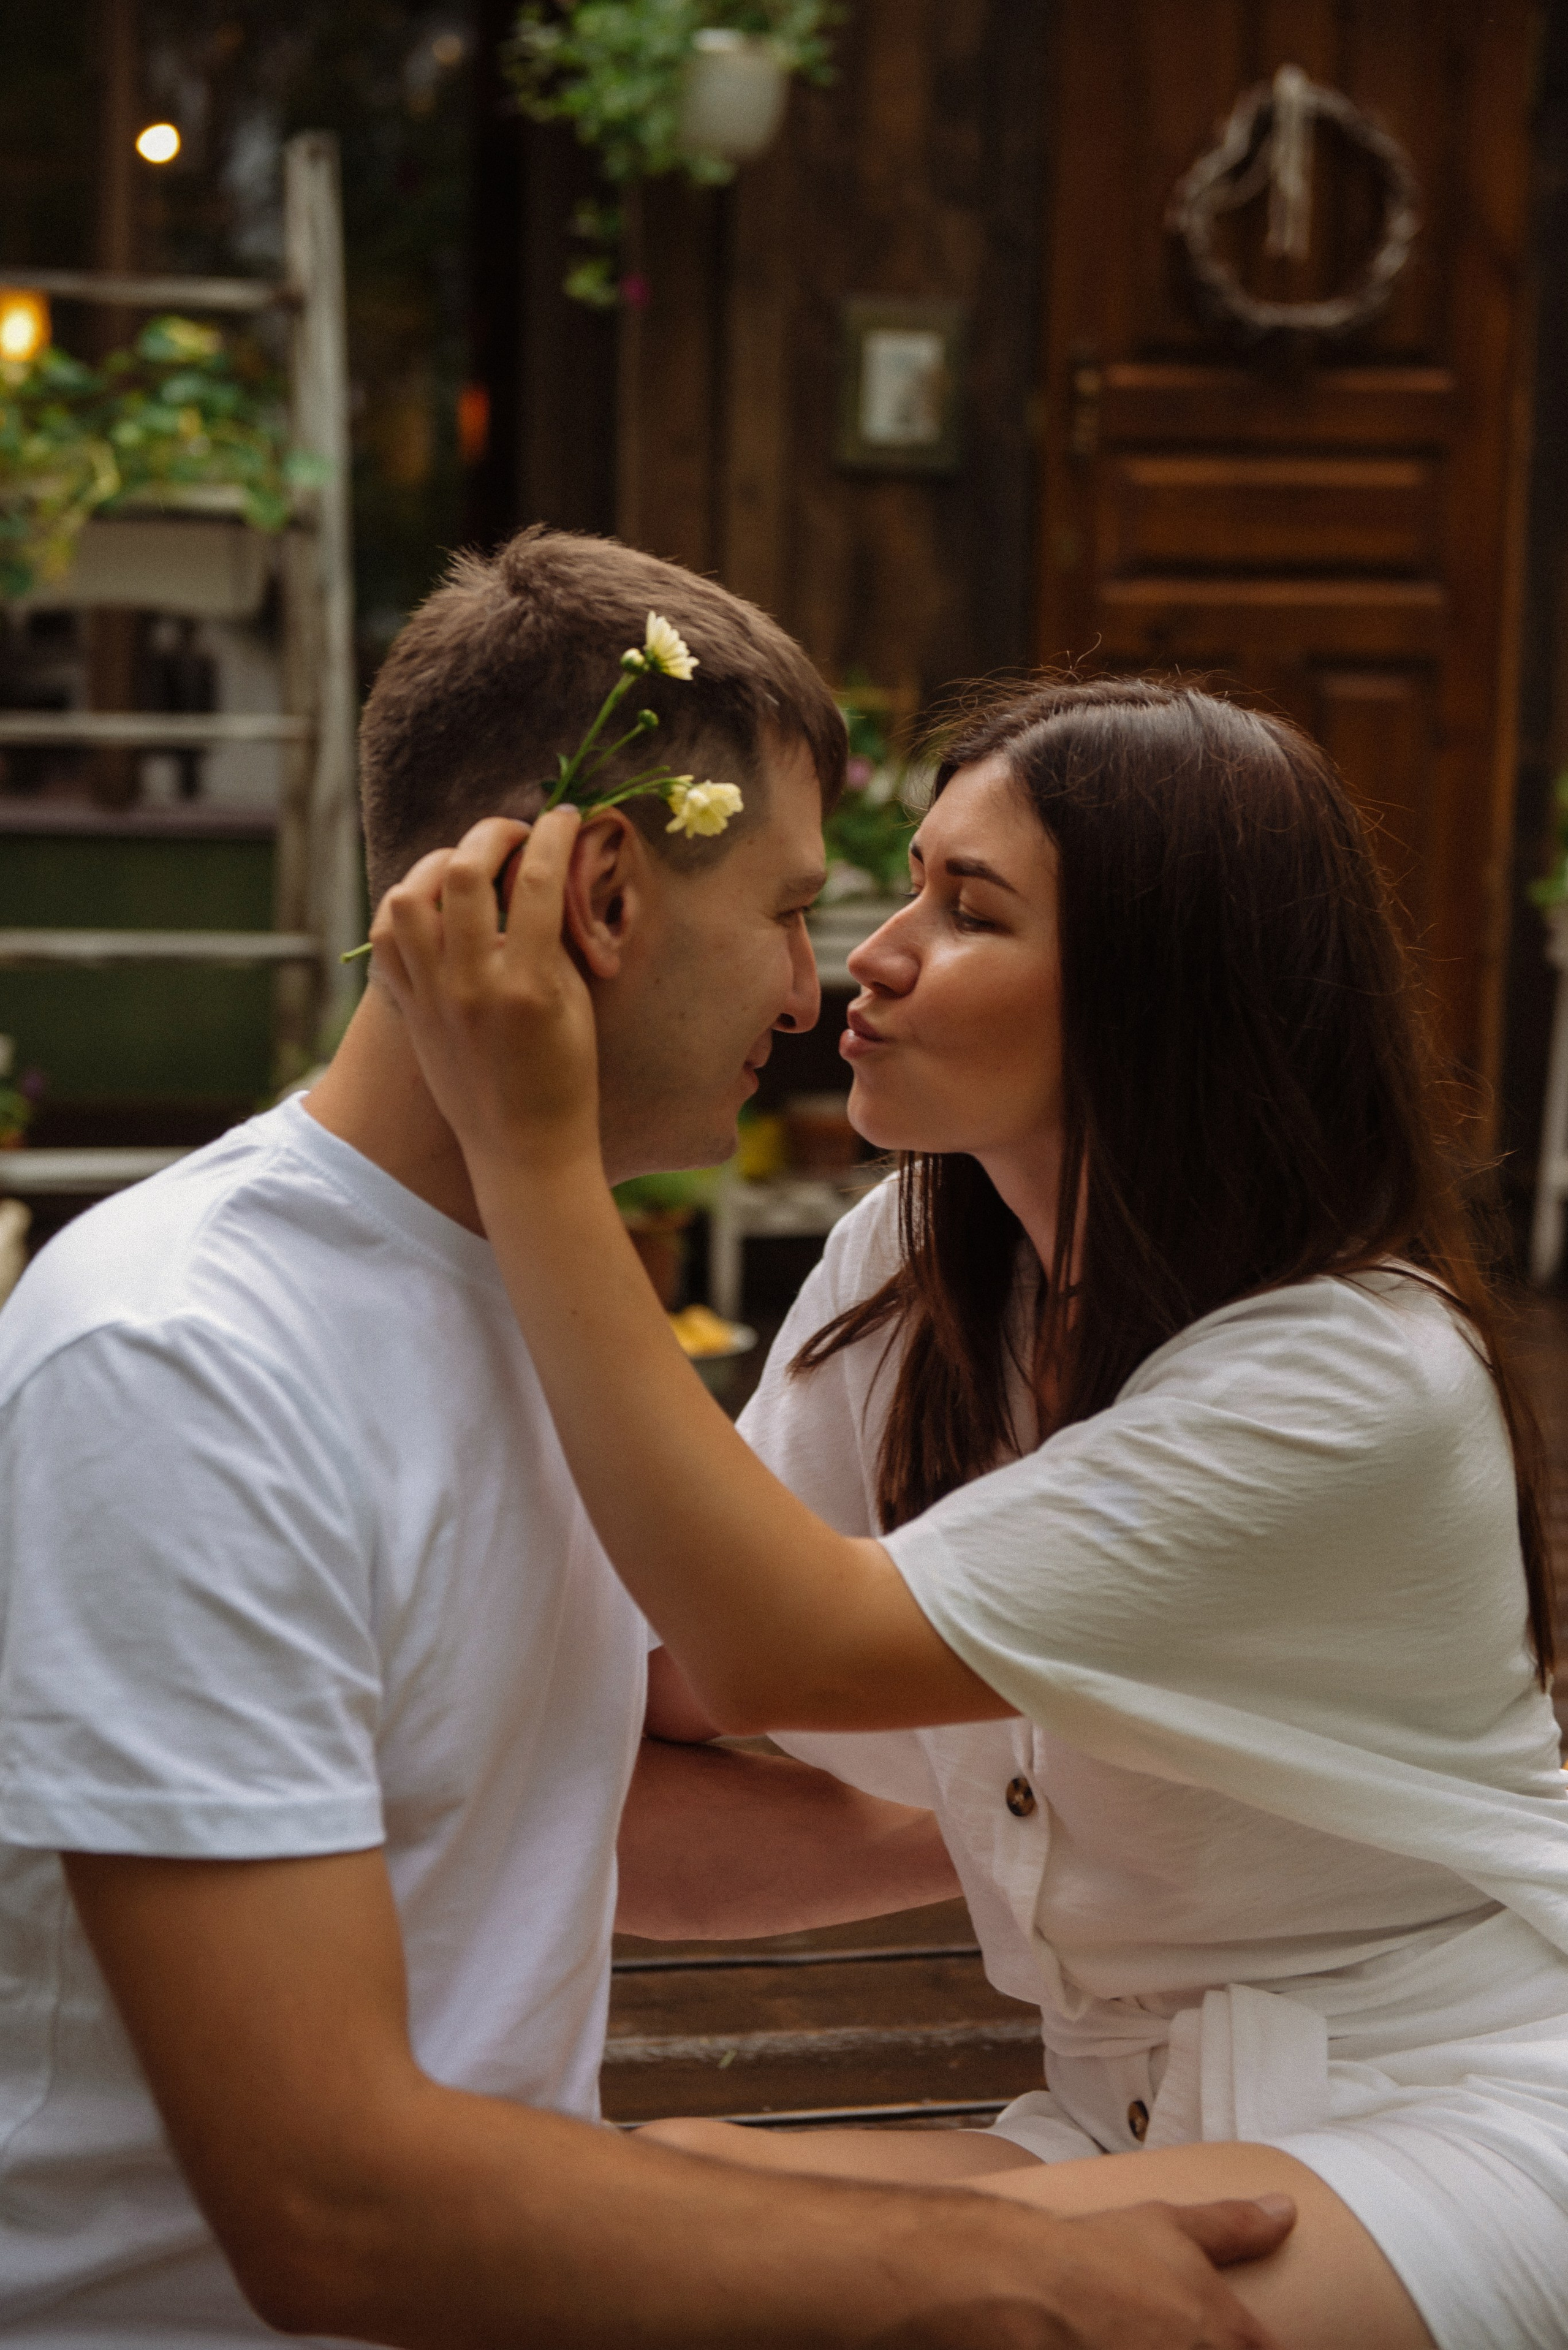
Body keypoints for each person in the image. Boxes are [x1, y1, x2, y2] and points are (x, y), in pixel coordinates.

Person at [0, 542, 1295, 2350]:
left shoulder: (550, 1289)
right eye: (783, 908)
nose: (810, 983)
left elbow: (599, 1798)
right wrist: (996, 2261)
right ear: (600, 891)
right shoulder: (185, 1354)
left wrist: (1089, 1822)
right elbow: (324, 2204)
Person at [368, 673, 1568, 2350]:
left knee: (761, 2300)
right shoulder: (917, 1279)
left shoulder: (1355, 1382)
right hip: (1118, 2114)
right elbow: (664, 1697)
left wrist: (536, 1150)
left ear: (1162, 997)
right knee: (656, 2190)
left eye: (969, 908)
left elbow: (788, 1645)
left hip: (1452, 2110)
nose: (877, 945)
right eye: (909, 881)